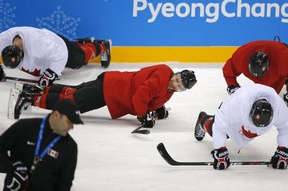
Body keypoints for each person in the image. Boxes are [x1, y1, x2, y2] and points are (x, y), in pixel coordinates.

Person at [11, 64, 197, 128]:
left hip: (110, 83)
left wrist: (156, 109)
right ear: (177, 73)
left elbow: (153, 99)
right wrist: (143, 114)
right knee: (72, 105)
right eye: (177, 78)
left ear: (182, 89)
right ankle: (31, 99)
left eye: (179, 84)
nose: (175, 82)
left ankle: (35, 91)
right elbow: (141, 96)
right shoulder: (163, 76)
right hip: (110, 89)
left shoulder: (168, 88)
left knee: (74, 93)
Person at [194, 83, 288, 170]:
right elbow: (219, 127)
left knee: (248, 134)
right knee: (215, 130)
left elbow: (286, 128)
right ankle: (203, 119)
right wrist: (220, 149)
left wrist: (283, 150)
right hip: (235, 112)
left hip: (247, 112)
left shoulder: (279, 108)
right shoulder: (236, 105)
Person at [0, 99, 84, 191]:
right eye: (69, 122)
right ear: (56, 115)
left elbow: (65, 183)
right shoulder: (24, 127)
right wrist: (11, 168)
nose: (71, 127)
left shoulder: (70, 147)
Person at [0, 26, 111, 87]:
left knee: (80, 60)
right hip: (47, 49)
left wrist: (50, 75)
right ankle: (80, 44)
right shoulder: (3, 40)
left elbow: (61, 55)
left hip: (59, 46)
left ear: (20, 53)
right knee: (36, 71)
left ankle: (102, 46)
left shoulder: (38, 43)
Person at [222, 40, 288, 104]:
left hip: (281, 53)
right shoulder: (241, 57)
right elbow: (228, 72)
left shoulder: (284, 61)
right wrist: (233, 86)